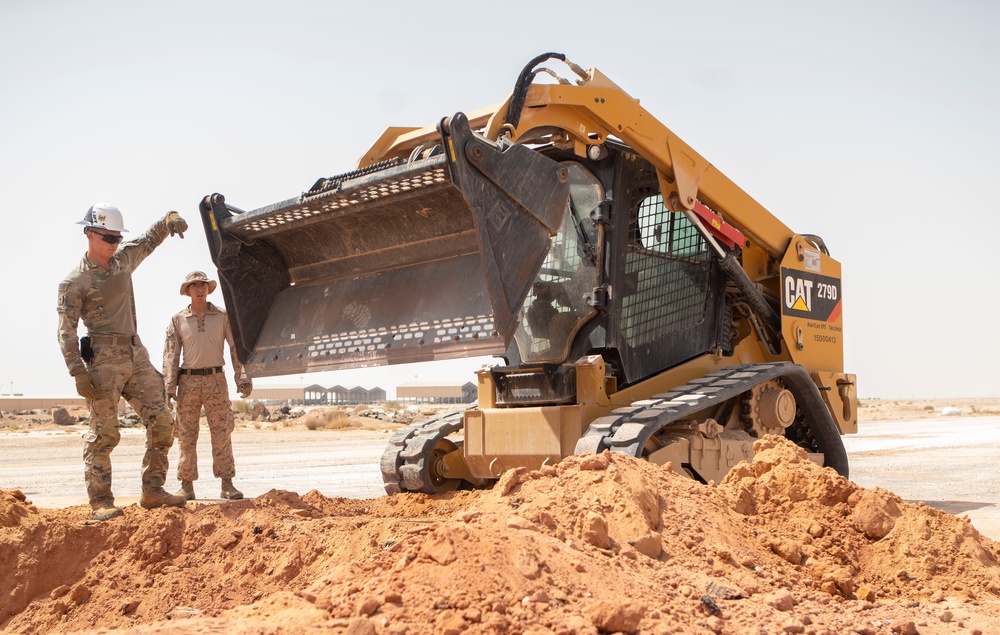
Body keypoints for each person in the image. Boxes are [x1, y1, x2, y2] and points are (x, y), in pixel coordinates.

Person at [57, 203, 190, 521]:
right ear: (89, 234)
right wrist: (77, 371)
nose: (114, 243)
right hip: (103, 359)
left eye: (117, 237)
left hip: (136, 353)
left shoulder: (123, 260)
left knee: (162, 423)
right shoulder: (74, 282)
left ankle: (153, 491)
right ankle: (101, 501)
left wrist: (168, 220)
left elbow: (147, 240)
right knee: (104, 433)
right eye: (107, 237)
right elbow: (66, 331)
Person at [163, 271, 252, 501]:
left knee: (222, 431)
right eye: (194, 286)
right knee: (186, 434)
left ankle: (227, 483)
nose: (199, 289)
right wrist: (169, 387)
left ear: (208, 289)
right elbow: (171, 355)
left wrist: (242, 378)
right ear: (188, 291)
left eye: (203, 285)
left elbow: (236, 349)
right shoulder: (178, 320)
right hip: (188, 381)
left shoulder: (223, 316)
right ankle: (186, 485)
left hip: (216, 380)